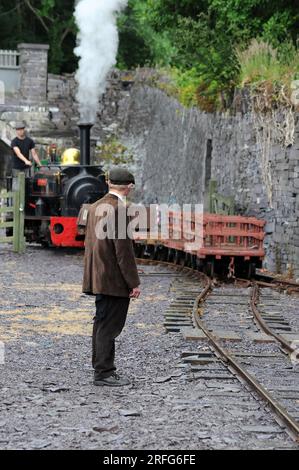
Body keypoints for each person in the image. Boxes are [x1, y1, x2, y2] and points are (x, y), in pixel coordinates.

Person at [83, 168, 141, 387]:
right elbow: (123, 252)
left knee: (101, 323)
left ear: (109, 183)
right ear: (129, 187)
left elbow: (90, 244)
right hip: (113, 279)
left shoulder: (95, 206)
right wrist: (133, 282)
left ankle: (101, 367)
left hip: (98, 275)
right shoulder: (118, 210)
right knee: (109, 326)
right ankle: (104, 373)